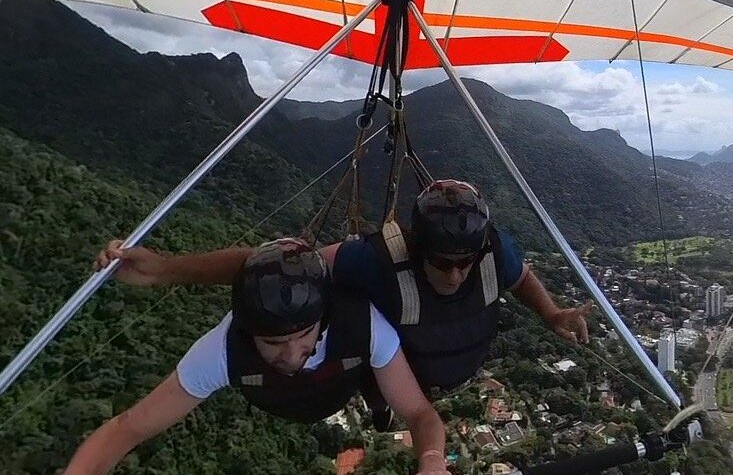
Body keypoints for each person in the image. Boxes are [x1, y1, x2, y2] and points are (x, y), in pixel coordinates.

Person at [98, 179, 591, 396]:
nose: (458, 273)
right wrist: (166, 269)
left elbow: (521, 275)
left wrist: (550, 314)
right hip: (401, 381)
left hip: (457, 370)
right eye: (444, 261)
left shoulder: (493, 251)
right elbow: (277, 265)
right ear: (419, 248)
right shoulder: (374, 262)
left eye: (468, 261)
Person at [68, 239, 450, 475]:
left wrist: (432, 460)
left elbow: (419, 413)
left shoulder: (361, 321)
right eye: (272, 342)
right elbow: (127, 428)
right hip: (285, 398)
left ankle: (375, 395)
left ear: (323, 317)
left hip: (342, 380)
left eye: (303, 336)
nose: (290, 354)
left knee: (381, 365)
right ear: (250, 332)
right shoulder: (224, 349)